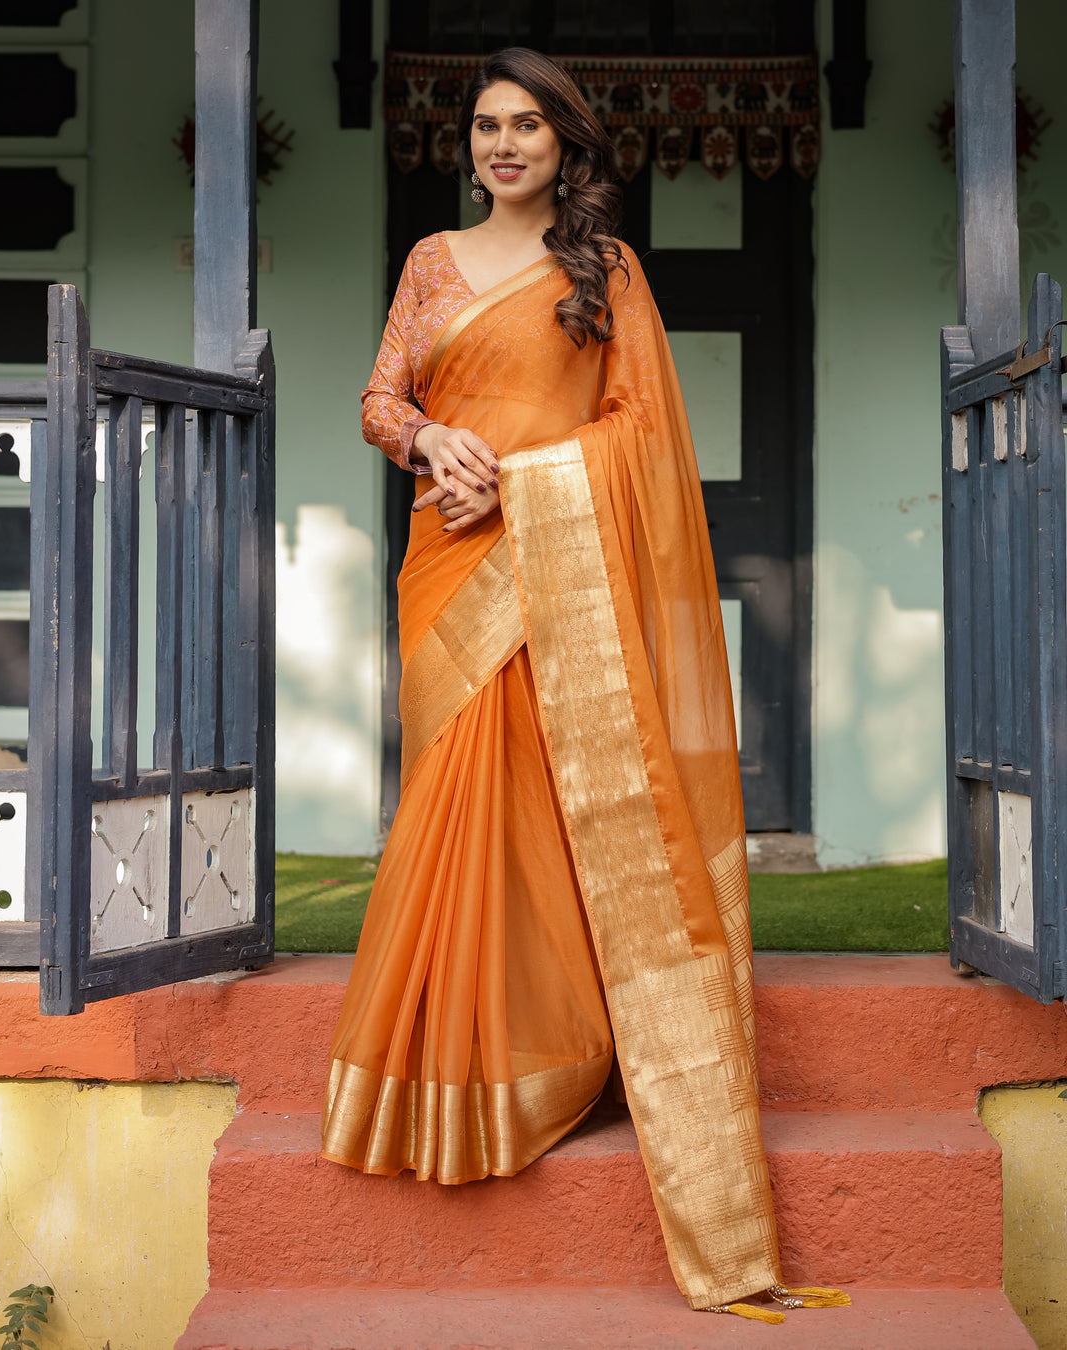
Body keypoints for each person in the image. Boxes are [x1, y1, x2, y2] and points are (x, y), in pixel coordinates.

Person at [322, 46, 846, 1322]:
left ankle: (554, 1058)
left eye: (528, 128)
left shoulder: (604, 272)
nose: (503, 147)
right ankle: (447, 1070)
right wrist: (434, 439)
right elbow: (381, 398)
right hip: (451, 565)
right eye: (486, 127)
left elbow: (642, 431)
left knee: (559, 816)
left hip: (552, 557)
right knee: (459, 803)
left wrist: (531, 475)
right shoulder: (431, 263)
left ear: (567, 145)